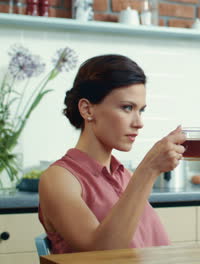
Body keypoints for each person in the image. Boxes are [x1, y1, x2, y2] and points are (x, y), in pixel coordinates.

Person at [38, 54, 186, 254]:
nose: (139, 122)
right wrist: (149, 169)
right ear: (87, 109)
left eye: (141, 110)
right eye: (127, 107)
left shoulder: (124, 175)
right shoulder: (59, 179)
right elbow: (100, 254)